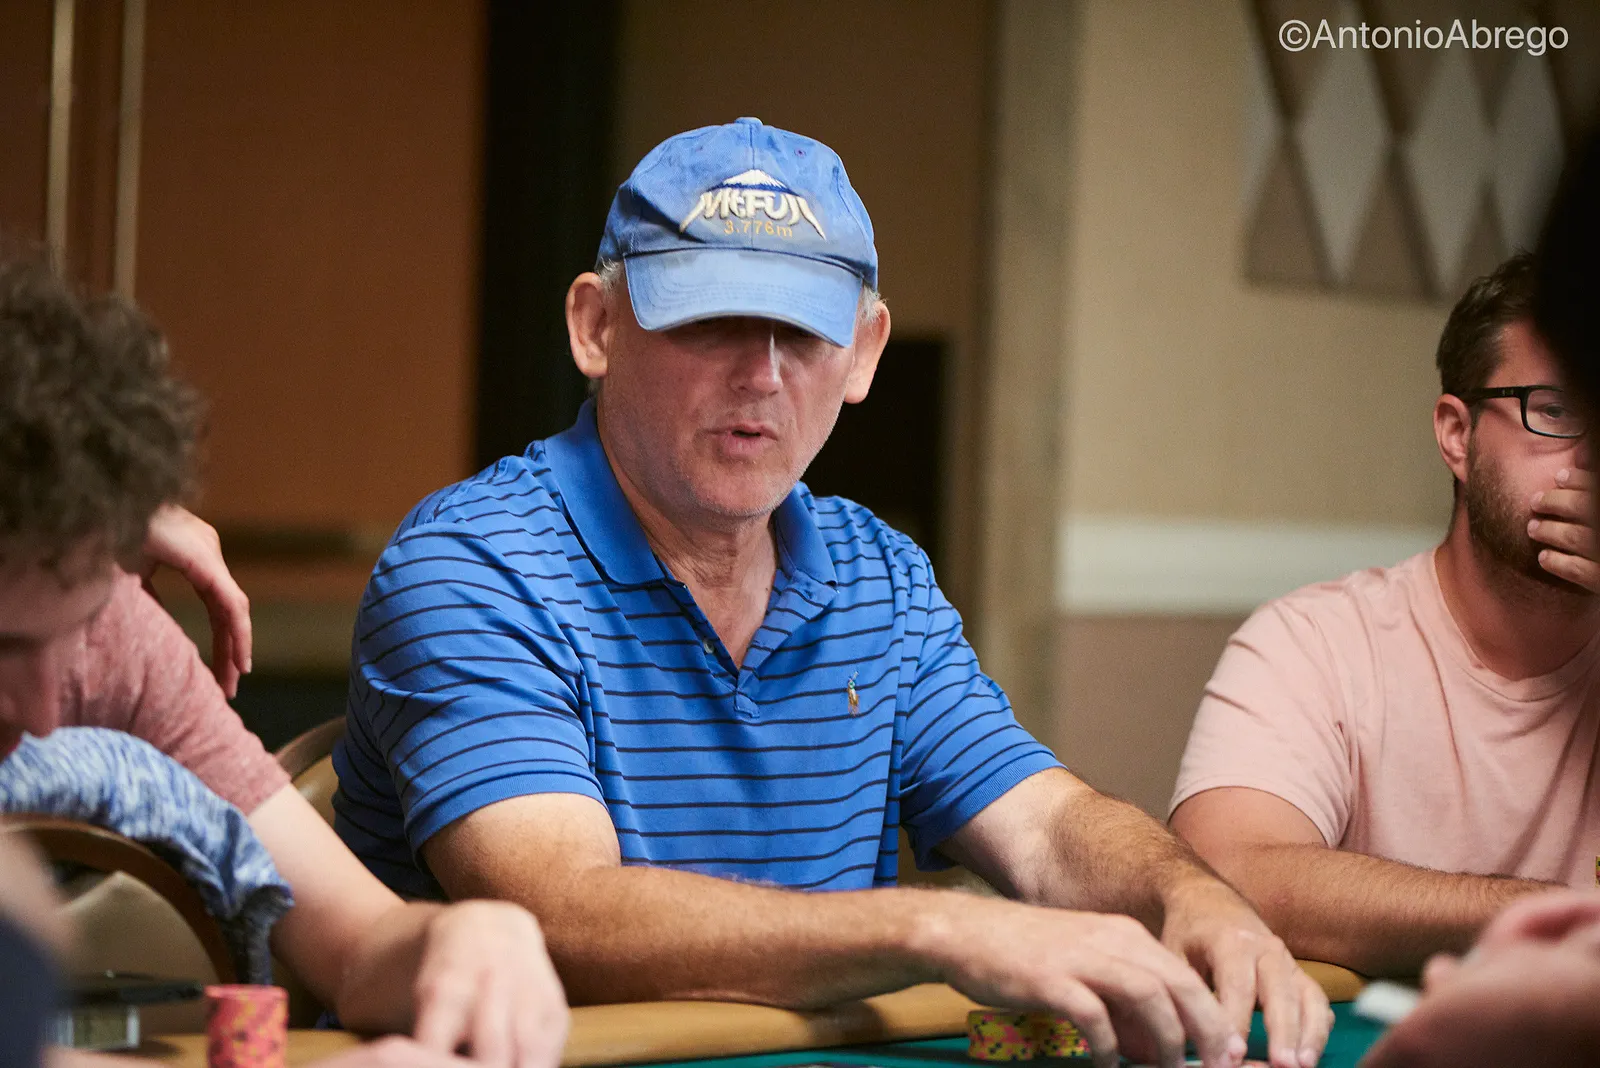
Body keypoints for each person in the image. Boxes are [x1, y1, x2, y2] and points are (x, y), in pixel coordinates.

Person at [336, 118, 1329, 1068]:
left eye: (802, 331)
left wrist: (1189, 894)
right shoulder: (472, 564)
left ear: (862, 353)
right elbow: (558, 914)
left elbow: (1043, 828)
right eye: (714, 319)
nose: (763, 376)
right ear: (596, 327)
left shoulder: (878, 575)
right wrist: (941, 929)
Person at [0, 256, 568, 1067]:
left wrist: (457, 937)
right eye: (6, 647)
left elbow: (359, 938)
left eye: (78, 627)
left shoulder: (120, 631)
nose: (45, 712)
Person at [1167, 253, 1599, 979]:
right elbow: (1223, 874)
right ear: (1457, 436)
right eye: (1556, 410)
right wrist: (1558, 917)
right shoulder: (1313, 645)